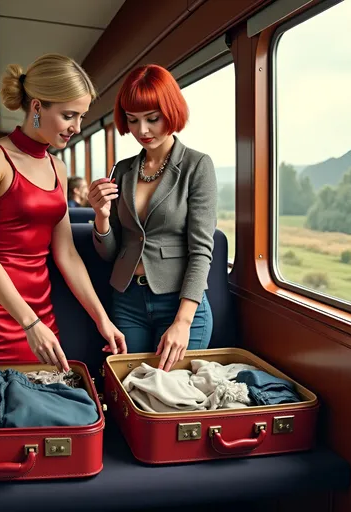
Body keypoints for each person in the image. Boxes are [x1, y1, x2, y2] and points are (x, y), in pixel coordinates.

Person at [0, 53, 126, 371]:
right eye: (69, 115)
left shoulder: (58, 167)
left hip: (41, 311)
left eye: (81, 117)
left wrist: (102, 319)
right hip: (0, 313)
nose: (77, 127)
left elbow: (65, 254)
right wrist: (29, 324)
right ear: (37, 107)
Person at [89, 64, 217, 372]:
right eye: (133, 120)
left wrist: (183, 322)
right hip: (128, 300)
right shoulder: (122, 169)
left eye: (152, 118)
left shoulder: (197, 166)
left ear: (170, 112)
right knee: (130, 390)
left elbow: (201, 251)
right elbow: (110, 253)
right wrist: (102, 217)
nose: (142, 130)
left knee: (169, 397)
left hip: (180, 304)